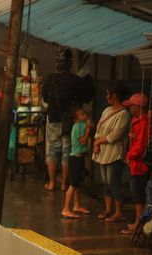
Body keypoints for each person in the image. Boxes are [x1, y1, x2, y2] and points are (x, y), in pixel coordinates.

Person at [42, 48, 93, 191]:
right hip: (69, 121)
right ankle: (64, 184)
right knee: (66, 151)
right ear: (70, 63)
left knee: (53, 150)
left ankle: (51, 183)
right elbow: (86, 97)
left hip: (53, 118)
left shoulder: (49, 78)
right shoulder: (75, 80)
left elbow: (45, 98)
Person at [93, 83, 131, 223]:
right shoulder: (107, 110)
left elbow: (117, 134)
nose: (107, 96)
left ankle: (118, 211)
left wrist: (99, 141)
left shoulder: (124, 114)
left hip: (114, 152)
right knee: (105, 182)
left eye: (108, 93)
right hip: (103, 151)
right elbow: (99, 127)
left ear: (114, 95)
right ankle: (108, 209)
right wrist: (97, 142)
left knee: (113, 182)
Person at [121, 93, 150, 235]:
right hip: (135, 165)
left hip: (139, 165)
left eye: (132, 105)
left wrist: (129, 156)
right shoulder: (136, 121)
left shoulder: (143, 123)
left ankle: (140, 222)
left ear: (138, 107)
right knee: (137, 194)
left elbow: (140, 144)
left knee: (139, 194)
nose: (130, 108)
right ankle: (139, 221)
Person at [61, 107, 93, 219]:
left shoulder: (81, 125)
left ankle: (77, 205)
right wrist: (88, 129)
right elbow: (83, 140)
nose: (85, 116)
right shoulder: (78, 126)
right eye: (82, 114)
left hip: (79, 158)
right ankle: (66, 208)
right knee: (73, 184)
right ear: (76, 119)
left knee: (78, 183)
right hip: (76, 158)